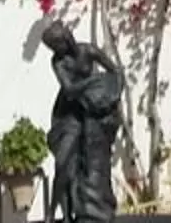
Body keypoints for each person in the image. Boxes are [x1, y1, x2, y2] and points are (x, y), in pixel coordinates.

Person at [40, 16, 125, 223]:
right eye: (52, 47)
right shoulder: (58, 62)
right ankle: (52, 212)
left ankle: (81, 211)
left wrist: (113, 93)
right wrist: (94, 82)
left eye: (56, 45)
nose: (55, 50)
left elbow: (115, 71)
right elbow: (69, 91)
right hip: (68, 115)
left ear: (66, 39)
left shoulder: (88, 50)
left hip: (90, 113)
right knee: (62, 163)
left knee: (88, 164)